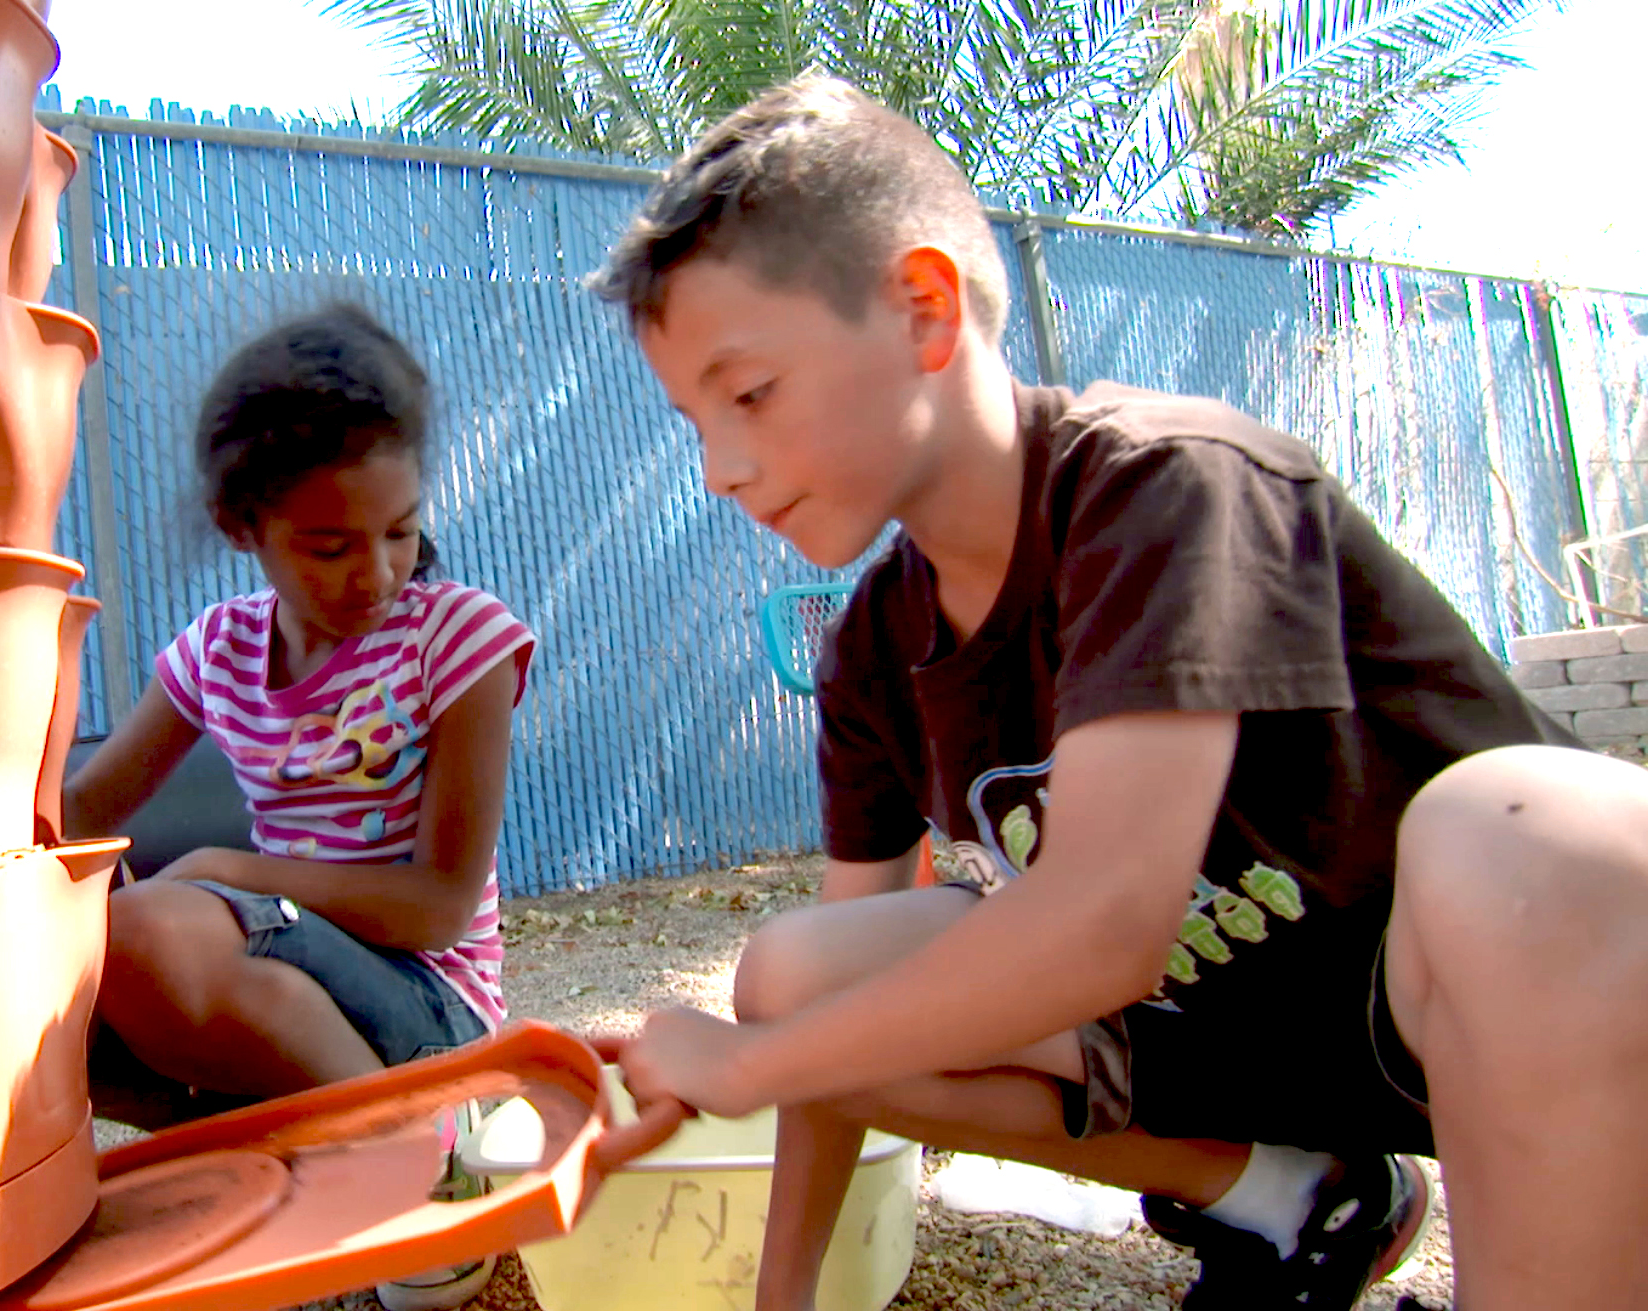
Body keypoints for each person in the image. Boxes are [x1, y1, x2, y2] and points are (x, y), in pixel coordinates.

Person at [590, 74, 1648, 1311]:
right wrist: (782, 1290)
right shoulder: (872, 648)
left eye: (749, 394)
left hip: (1457, 1007)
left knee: (1518, 829)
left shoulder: (1163, 485)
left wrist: (745, 1063)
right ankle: (1292, 1200)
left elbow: (1103, 923)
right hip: (1227, 1042)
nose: (718, 468)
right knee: (798, 970)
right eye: (691, 420)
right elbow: (814, 1020)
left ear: (924, 309)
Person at [62, 302, 533, 1311]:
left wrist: (232, 869)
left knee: (152, 930)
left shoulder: (457, 643)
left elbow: (440, 907)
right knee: (56, 973)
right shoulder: (217, 651)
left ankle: (423, 1166)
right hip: (292, 981)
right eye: (327, 547)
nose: (373, 574)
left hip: (429, 1007)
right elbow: (75, 816)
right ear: (246, 527)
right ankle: (301, 1166)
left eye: (400, 532)